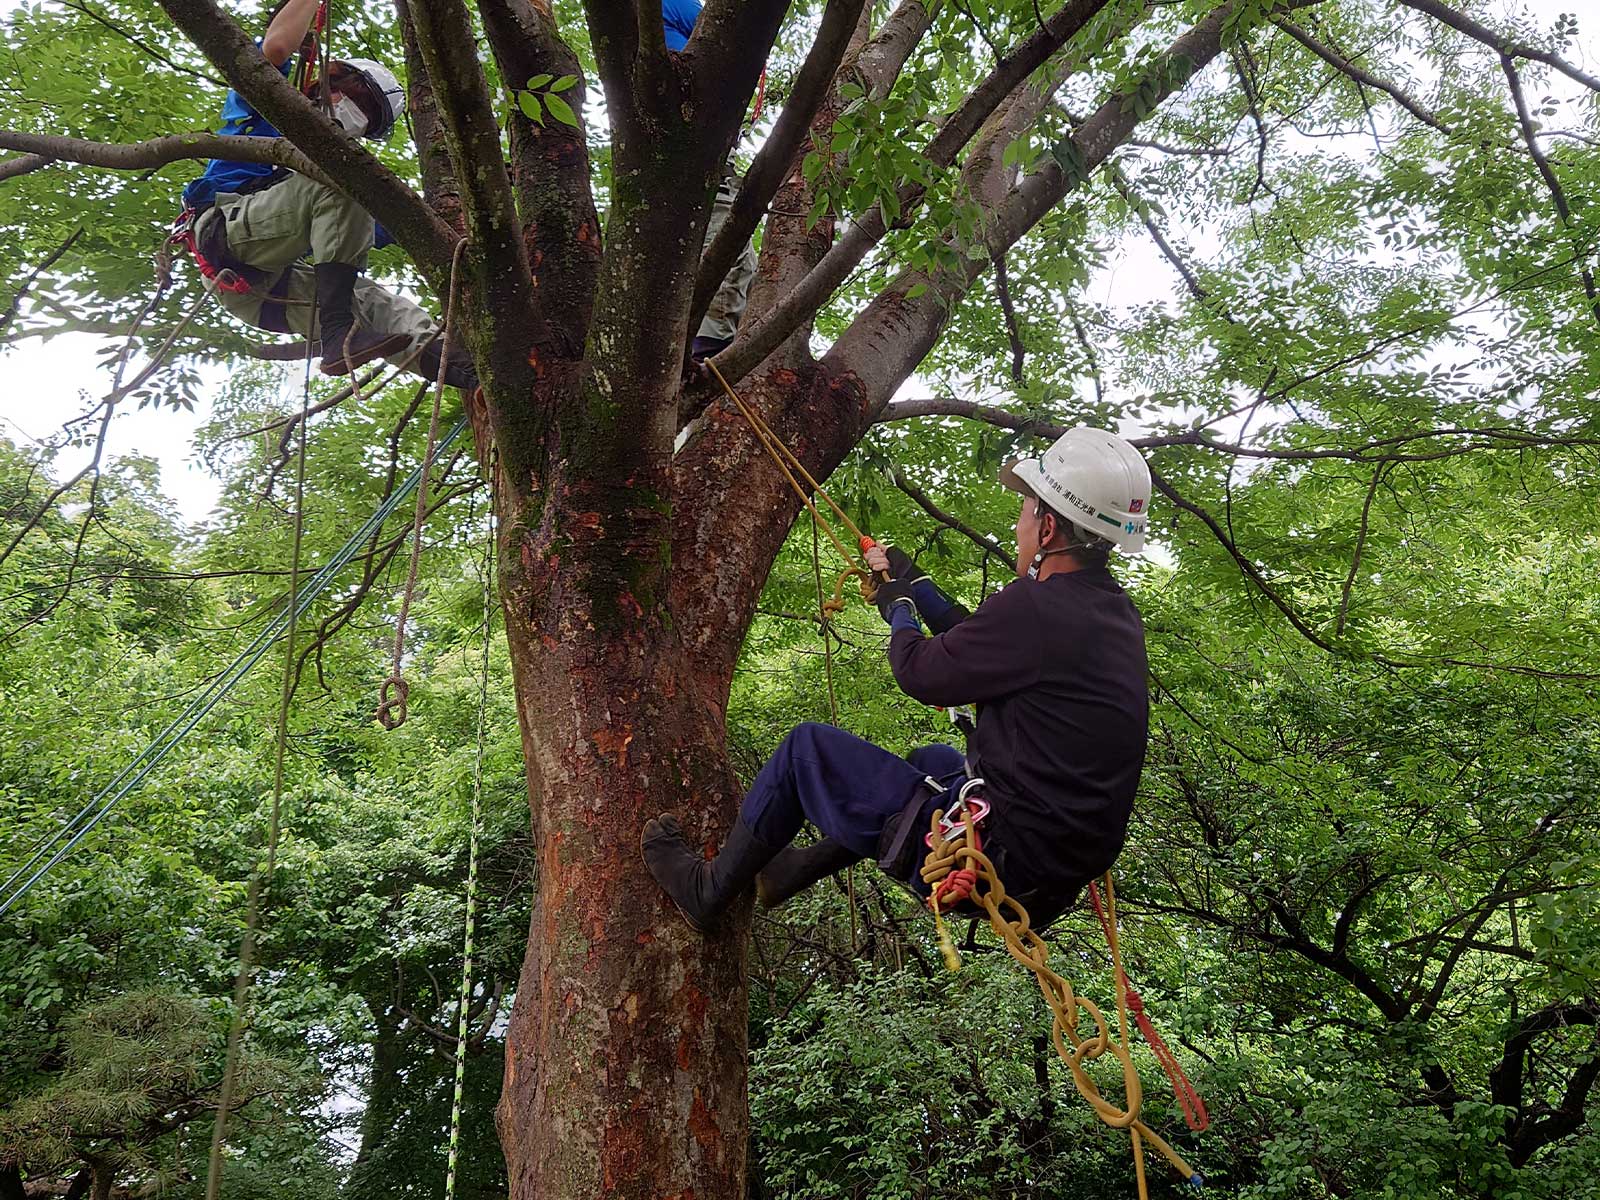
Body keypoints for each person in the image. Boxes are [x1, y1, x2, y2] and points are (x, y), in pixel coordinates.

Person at [642, 426, 1153, 932]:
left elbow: (921, 672)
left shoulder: (1037, 609)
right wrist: (918, 588)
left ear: (1047, 530)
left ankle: (707, 894)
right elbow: (986, 648)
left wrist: (900, 609)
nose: (1019, 522)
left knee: (805, 752)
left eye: (1026, 510)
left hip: (1004, 861)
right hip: (1051, 869)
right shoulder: (1108, 611)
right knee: (933, 761)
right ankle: (790, 870)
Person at [178, 0, 475, 388]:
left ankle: (477, 377)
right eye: (355, 95)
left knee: (392, 312)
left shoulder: (341, 191)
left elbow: (399, 224)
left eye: (367, 114)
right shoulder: (270, 108)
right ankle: (337, 330)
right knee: (345, 180)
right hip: (227, 239)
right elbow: (276, 50)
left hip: (267, 292)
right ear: (327, 80)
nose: (353, 110)